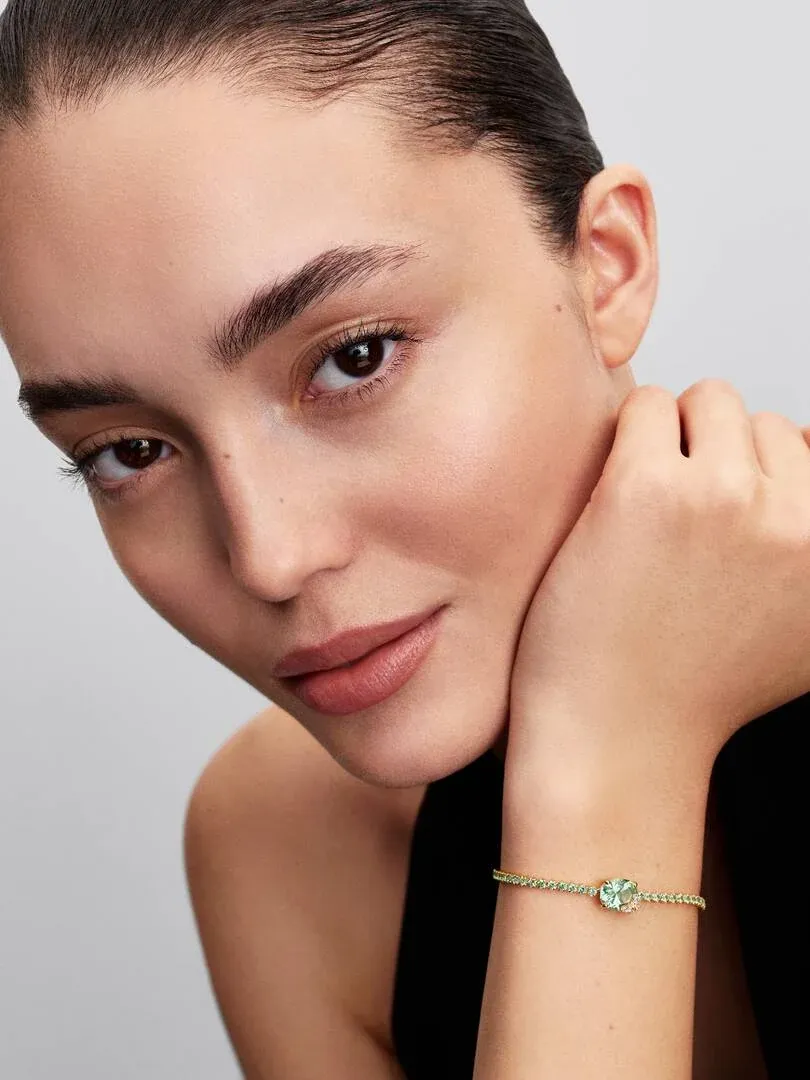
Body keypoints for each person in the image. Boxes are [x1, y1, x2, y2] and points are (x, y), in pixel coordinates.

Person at [0, 2, 807, 1078]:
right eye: (131, 452)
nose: (269, 558)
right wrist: (608, 768)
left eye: (356, 356)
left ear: (606, 264)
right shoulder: (288, 844)